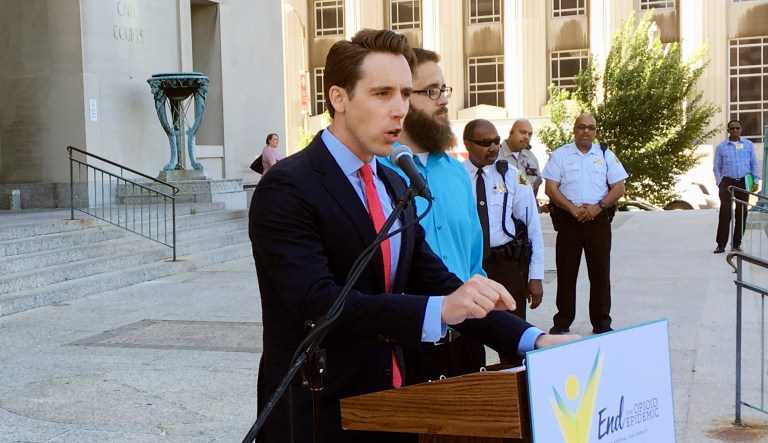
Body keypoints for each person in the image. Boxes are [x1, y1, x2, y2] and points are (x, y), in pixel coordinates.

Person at [249, 29, 572, 443]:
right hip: (316, 409)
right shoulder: (287, 186)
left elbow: (437, 281)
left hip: (394, 404)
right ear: (339, 98)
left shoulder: (394, 183)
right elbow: (318, 302)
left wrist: (531, 339)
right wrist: (438, 311)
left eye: (404, 93)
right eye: (382, 93)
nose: (399, 109)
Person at [377, 48, 487, 384]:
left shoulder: (456, 172)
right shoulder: (375, 174)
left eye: (444, 90)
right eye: (432, 91)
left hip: (465, 343)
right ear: (403, 99)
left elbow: (473, 262)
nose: (444, 101)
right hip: (405, 347)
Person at [462, 118, 544, 363]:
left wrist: (536, 276)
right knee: (468, 335)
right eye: (485, 142)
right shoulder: (456, 176)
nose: (493, 147)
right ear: (467, 144)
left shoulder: (511, 176)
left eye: (496, 141)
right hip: (469, 267)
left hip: (505, 266)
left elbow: (532, 227)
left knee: (513, 337)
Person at [541, 114, 628, 335]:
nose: (586, 131)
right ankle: (562, 322)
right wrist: (572, 208)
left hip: (598, 222)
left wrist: (598, 207)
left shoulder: (605, 155)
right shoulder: (560, 155)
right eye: (581, 127)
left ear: (595, 131)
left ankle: (601, 323)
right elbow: (550, 188)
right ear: (574, 130)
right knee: (566, 274)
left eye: (590, 128)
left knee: (600, 274)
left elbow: (619, 188)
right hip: (569, 221)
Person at [713, 119, 760, 253]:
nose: (735, 130)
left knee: (742, 213)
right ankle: (721, 244)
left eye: (737, 128)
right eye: (732, 128)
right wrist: (719, 182)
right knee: (725, 213)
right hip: (727, 182)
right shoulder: (722, 147)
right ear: (728, 131)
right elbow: (717, 166)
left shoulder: (748, 145)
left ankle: (736, 244)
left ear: (741, 129)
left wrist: (756, 181)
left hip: (743, 182)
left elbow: (754, 163)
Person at [499, 119, 543, 197]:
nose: (526, 137)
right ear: (511, 132)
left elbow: (535, 185)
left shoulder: (531, 157)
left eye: (530, 134)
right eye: (522, 132)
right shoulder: (495, 156)